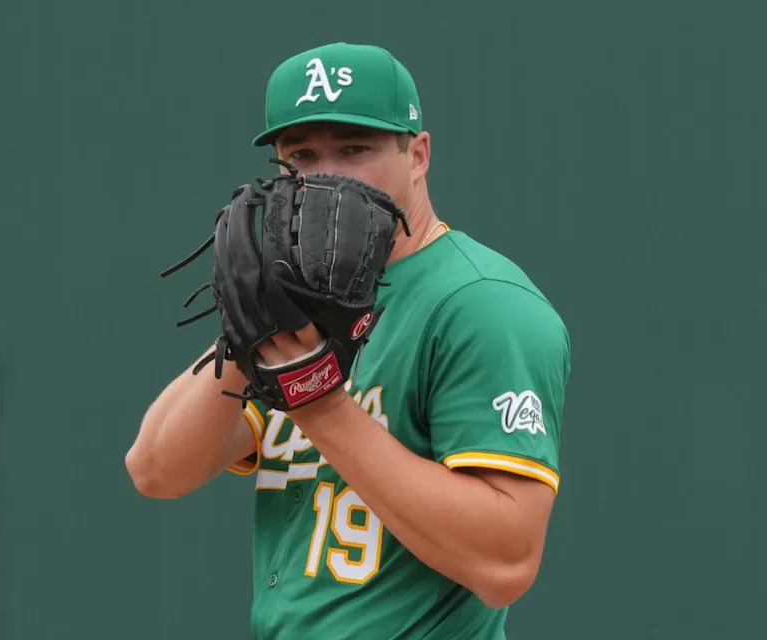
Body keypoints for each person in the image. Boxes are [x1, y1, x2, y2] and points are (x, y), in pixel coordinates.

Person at [125, 41, 571, 640]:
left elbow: (506, 561)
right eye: (302, 155)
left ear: (418, 154)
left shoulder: (483, 304)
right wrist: (243, 336)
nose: (325, 175)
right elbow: (157, 469)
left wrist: (319, 400)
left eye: (354, 149)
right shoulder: (300, 299)